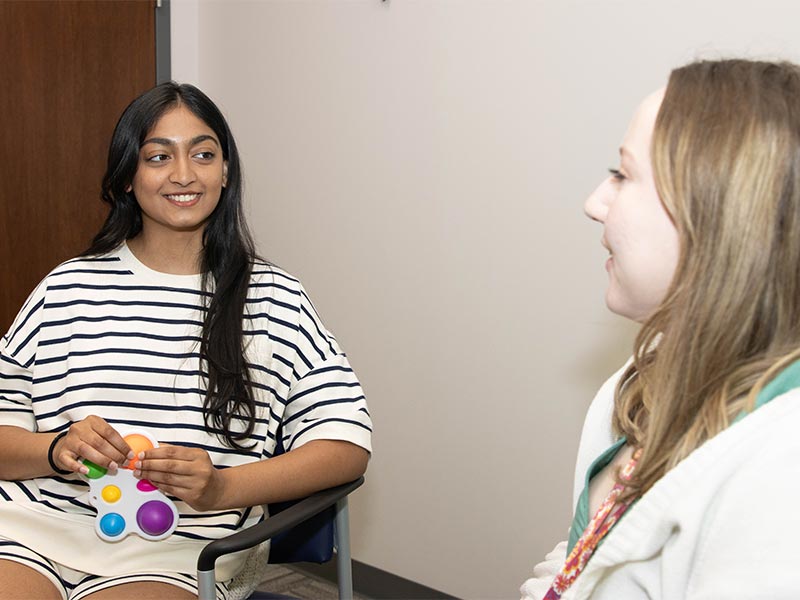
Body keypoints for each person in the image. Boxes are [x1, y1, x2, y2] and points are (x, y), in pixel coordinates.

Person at [0, 82, 372, 600]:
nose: (183, 174)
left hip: (187, 548)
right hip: (33, 529)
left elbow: (345, 446)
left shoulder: (273, 298)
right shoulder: (67, 287)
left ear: (224, 172)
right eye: (158, 156)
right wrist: (57, 448)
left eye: (203, 154)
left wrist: (224, 488)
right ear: (127, 177)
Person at [521, 58, 800, 599]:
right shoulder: (642, 382)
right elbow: (586, 558)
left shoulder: (783, 476)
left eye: (623, 175)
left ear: (716, 217)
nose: (595, 203)